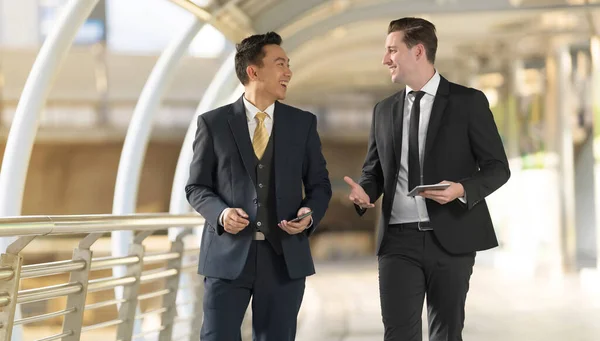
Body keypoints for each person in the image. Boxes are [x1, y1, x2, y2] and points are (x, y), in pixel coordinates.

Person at [344, 17, 510, 341]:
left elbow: (497, 167)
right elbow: (373, 172)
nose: (385, 59)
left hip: (452, 238)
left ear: (418, 51)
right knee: (398, 334)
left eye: (392, 50)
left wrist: (462, 189)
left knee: (446, 333)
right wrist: (365, 192)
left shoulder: (468, 103)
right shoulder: (383, 110)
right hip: (397, 242)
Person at [185, 31, 332, 341]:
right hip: (226, 259)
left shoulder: (302, 123)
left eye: (288, 64)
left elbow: (319, 184)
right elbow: (197, 187)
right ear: (253, 71)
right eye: (280, 63)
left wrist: (309, 213)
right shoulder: (213, 124)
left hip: (284, 259)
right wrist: (222, 214)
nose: (288, 72)